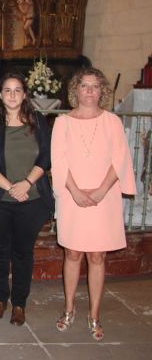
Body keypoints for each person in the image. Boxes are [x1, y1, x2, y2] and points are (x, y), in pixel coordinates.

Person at [51, 67, 136, 341]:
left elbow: (120, 159)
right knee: (73, 254)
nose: (89, 91)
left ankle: (95, 315)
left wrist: (100, 191)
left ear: (103, 91)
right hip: (72, 196)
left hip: (104, 197)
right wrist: (75, 191)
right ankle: (68, 309)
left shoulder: (112, 121)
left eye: (95, 86)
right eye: (84, 85)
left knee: (97, 256)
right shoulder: (63, 122)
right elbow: (59, 161)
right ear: (75, 89)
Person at [0, 72, 54, 326]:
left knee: (23, 253)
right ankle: (0, 298)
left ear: (24, 94)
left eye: (17, 90)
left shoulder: (39, 122)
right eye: (7, 90)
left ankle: (19, 303)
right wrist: (11, 187)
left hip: (31, 200)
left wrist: (27, 183)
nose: (12, 95)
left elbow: (46, 158)